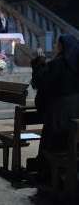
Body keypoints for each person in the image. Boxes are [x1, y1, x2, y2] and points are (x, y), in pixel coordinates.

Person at [31, 35, 79, 180]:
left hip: (59, 111)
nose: (56, 46)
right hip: (76, 108)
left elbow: (41, 82)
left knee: (54, 140)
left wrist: (39, 63)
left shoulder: (58, 64)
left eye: (58, 44)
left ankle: (49, 174)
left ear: (62, 46)